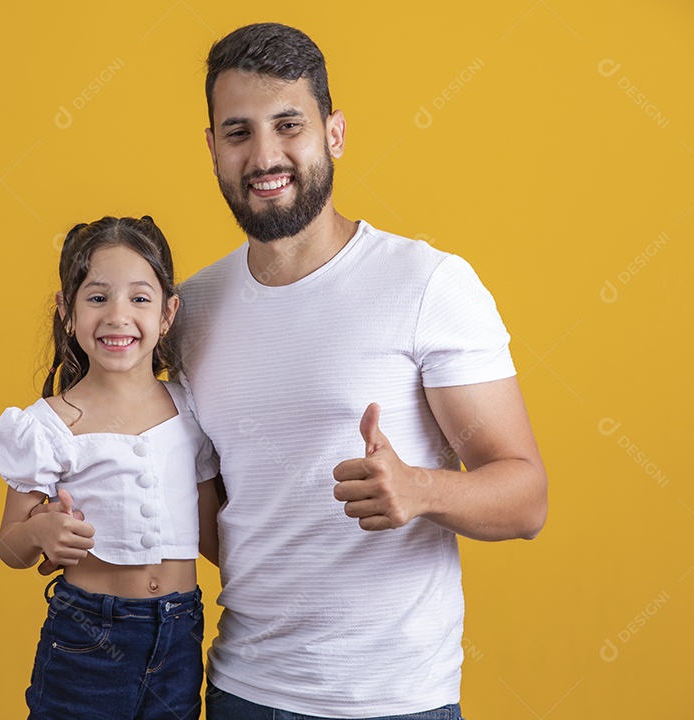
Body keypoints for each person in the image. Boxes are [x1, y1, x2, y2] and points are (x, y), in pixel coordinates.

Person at [177, 23, 548, 719]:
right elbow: (213, 513)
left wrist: (421, 489)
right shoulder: (190, 309)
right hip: (241, 691)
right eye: (238, 133)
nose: (265, 155)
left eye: (289, 125)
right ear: (213, 149)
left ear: (334, 133)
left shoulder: (427, 284)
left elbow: (526, 497)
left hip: (396, 701)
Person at [0, 216, 222, 720]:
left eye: (140, 298)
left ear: (167, 314)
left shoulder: (191, 411)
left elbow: (212, 536)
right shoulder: (47, 425)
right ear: (66, 312)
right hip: (86, 639)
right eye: (97, 298)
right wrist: (41, 532)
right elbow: (10, 546)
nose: (118, 316)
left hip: (181, 634)